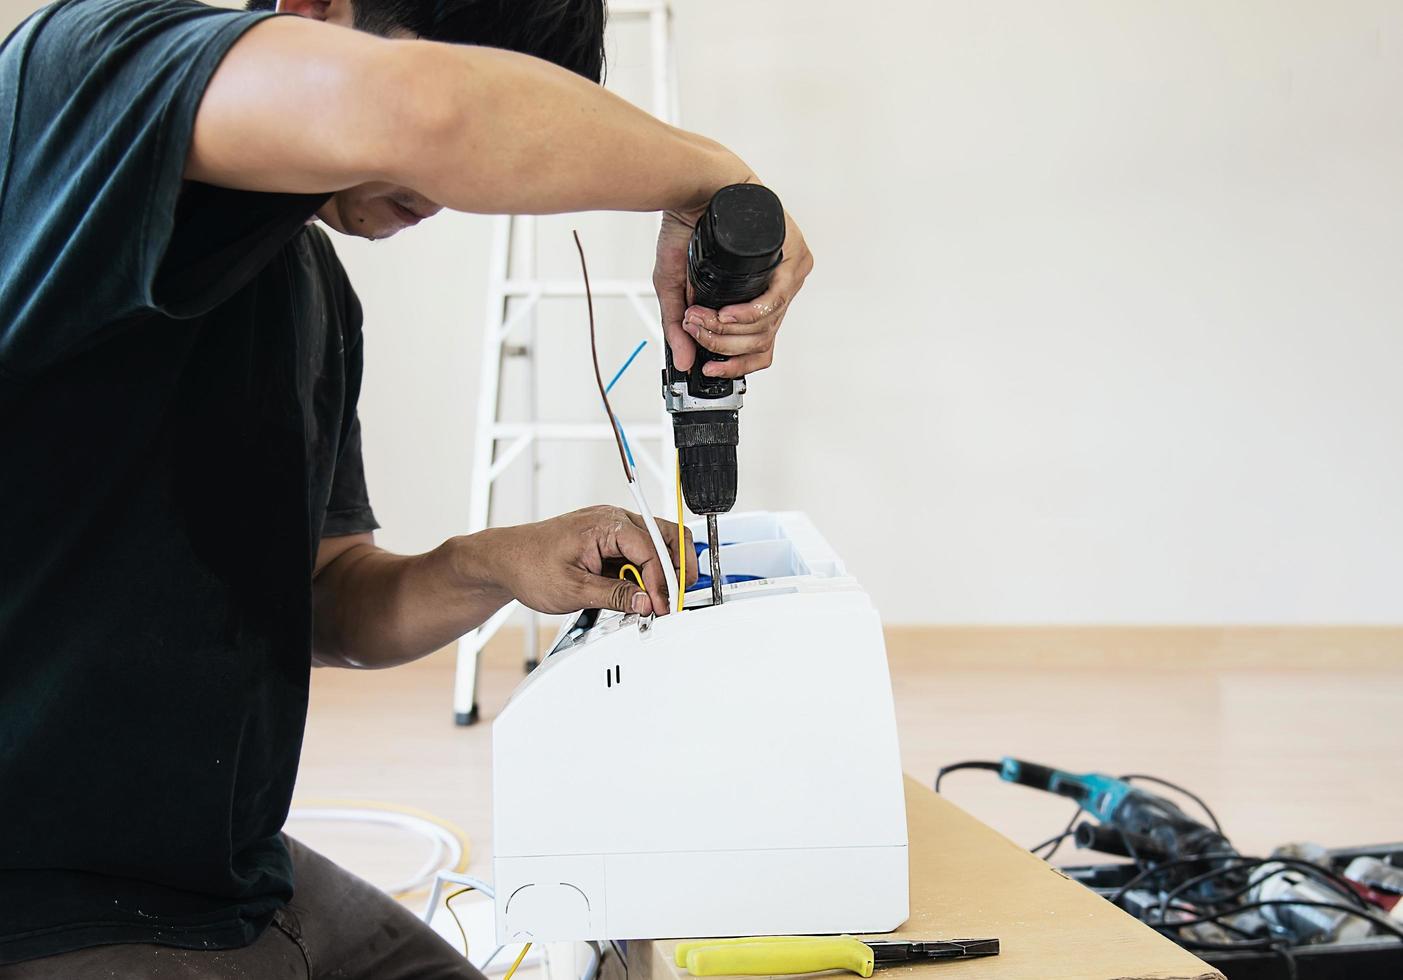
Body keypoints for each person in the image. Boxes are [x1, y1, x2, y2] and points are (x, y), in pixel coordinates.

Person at [0, 0, 814, 975]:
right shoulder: (85, 77)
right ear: (312, 11)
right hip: (42, 902)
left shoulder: (307, 288)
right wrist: (714, 181)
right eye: (495, 92)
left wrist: (497, 561)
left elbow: (326, 602)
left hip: (236, 879)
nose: (455, 188)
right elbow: (425, 112)